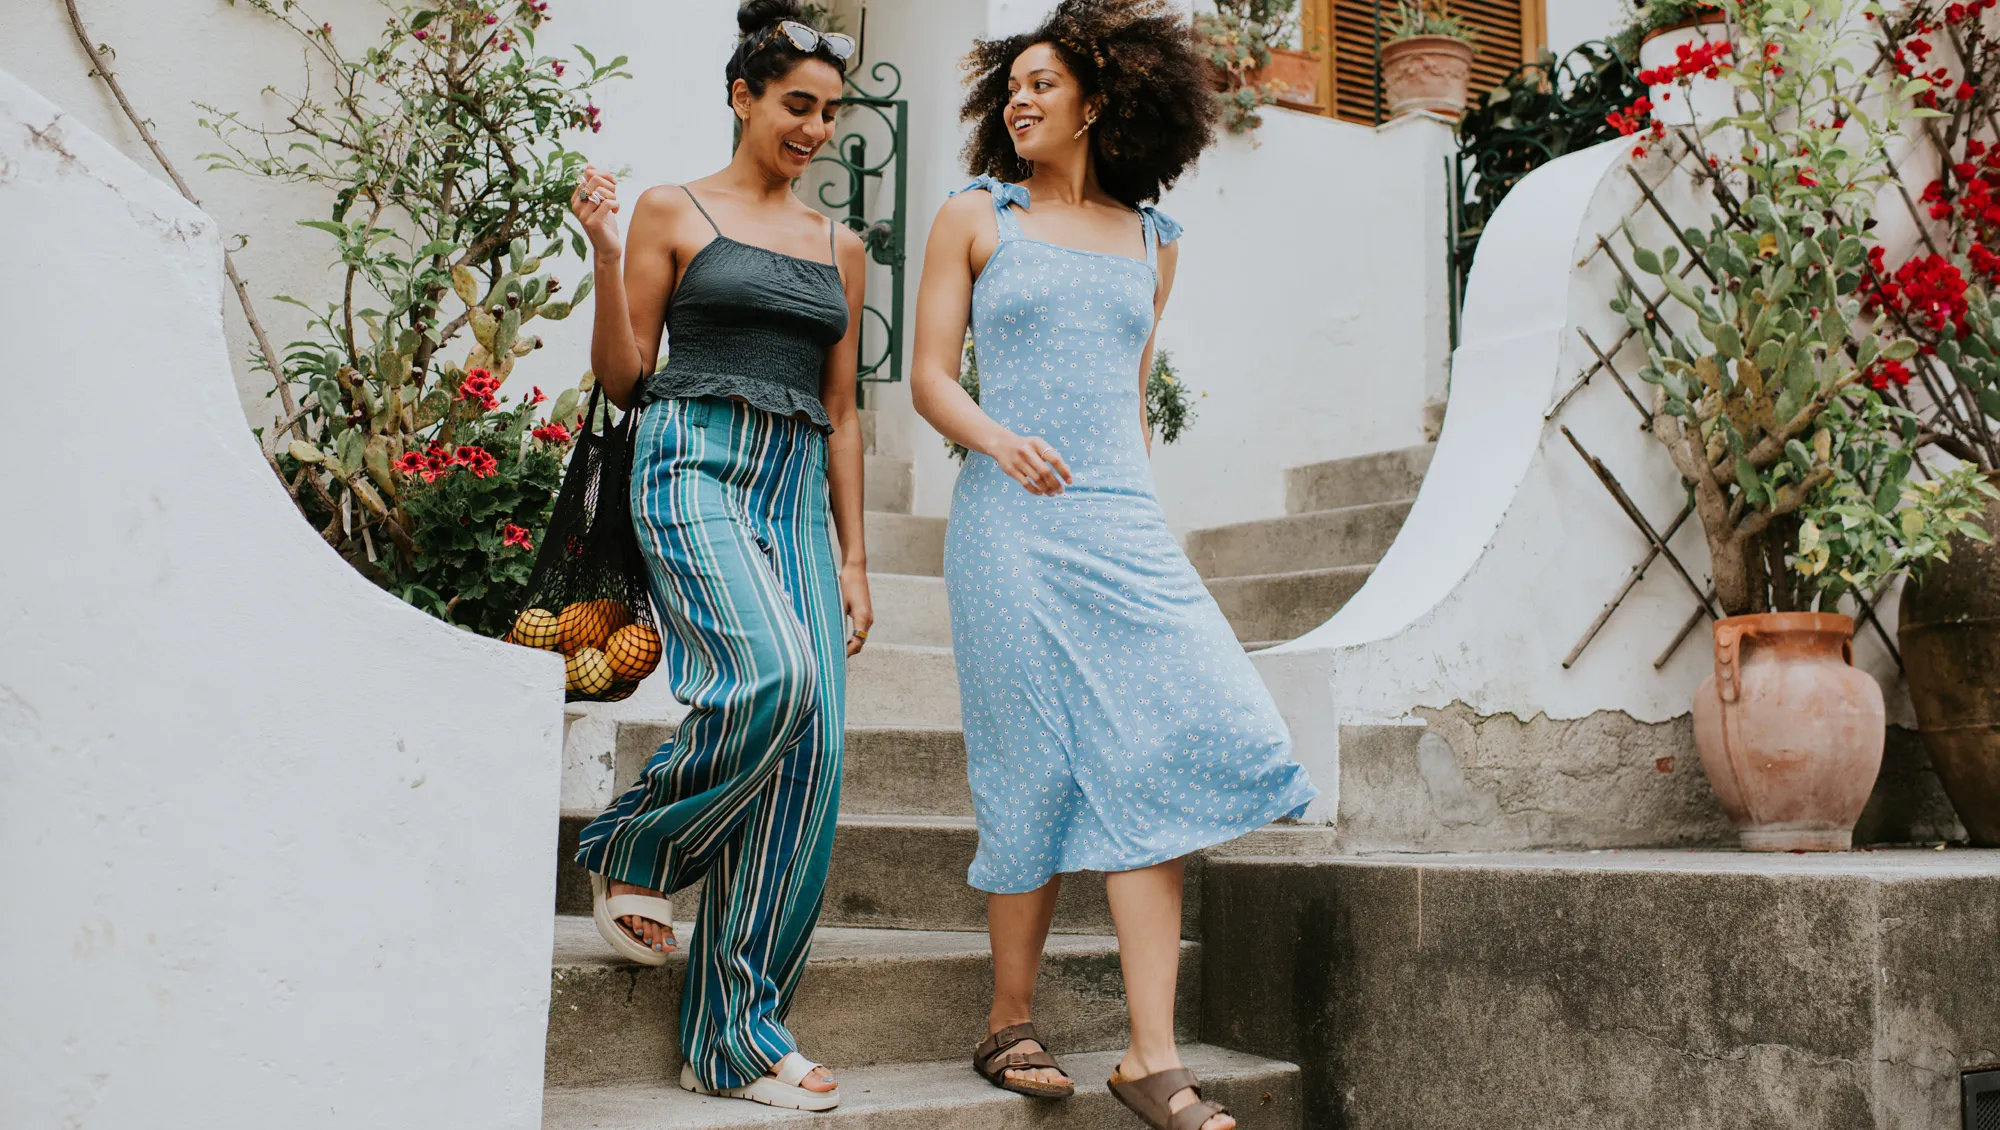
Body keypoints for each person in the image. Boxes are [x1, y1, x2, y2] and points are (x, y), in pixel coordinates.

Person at [909, 3, 1318, 1129]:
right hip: (1007, 523)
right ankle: (1008, 1017)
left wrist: (1137, 506)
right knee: (1030, 762)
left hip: (1118, 523)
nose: (1019, 102)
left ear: (1097, 98)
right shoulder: (972, 216)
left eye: (1040, 84)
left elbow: (1129, 396)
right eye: (1009, 89)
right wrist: (994, 439)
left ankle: (1150, 1053)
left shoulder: (1152, 241)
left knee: (1169, 743)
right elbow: (929, 376)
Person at [565, 0, 870, 1112]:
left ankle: (734, 1036)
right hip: (688, 457)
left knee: (815, 752)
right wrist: (606, 256)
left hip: (794, 480)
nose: (815, 130)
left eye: (831, 113)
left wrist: (853, 556)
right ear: (742, 95)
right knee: (771, 675)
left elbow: (843, 413)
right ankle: (636, 843)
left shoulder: (843, 248)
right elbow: (624, 375)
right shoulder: (668, 210)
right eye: (798, 105)